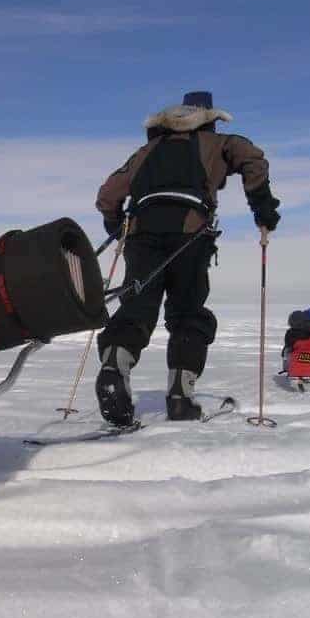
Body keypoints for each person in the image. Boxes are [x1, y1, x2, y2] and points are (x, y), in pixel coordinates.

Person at [93, 91, 280, 425]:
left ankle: (113, 366)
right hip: (191, 234)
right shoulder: (219, 143)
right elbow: (254, 160)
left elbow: (108, 194)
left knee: (137, 304)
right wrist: (263, 209)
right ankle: (181, 397)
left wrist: (116, 224)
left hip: (141, 232)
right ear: (208, 115)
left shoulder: (146, 151)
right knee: (187, 312)